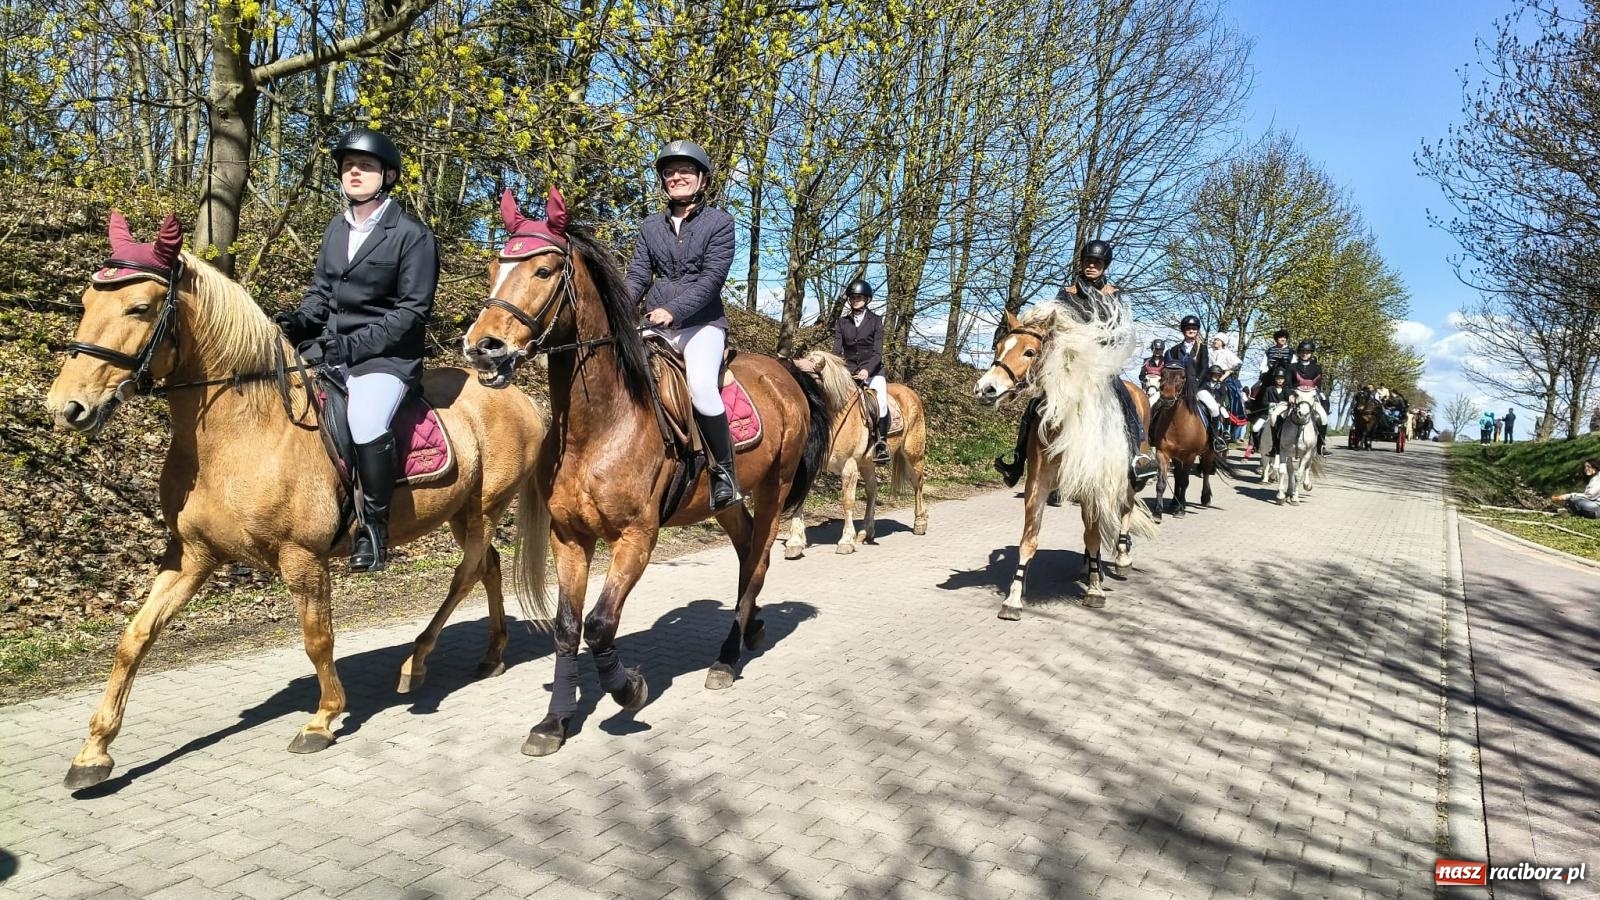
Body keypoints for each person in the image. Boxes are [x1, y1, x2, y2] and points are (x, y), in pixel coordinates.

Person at [274, 127, 439, 573]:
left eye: (364, 166)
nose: (354, 173)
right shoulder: (336, 228)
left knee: (365, 419)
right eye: (348, 167)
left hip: (386, 360)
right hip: (331, 350)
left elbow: (411, 312)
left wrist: (347, 345)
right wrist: (298, 320)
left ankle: (373, 529)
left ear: (387, 175)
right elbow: (321, 293)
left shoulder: (412, 235)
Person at [625, 140, 741, 511]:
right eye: (670, 172)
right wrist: (619, 309)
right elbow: (639, 276)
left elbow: (712, 280)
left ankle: (724, 475)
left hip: (702, 323)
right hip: (656, 321)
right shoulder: (649, 227)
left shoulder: (719, 222)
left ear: (702, 180)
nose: (677, 177)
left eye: (685, 171)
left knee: (701, 388)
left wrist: (673, 310)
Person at [994, 239, 1157, 503]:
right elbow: (1054, 324)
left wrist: (1104, 350)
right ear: (1081, 263)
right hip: (1070, 363)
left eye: (1097, 263)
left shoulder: (1114, 295)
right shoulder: (1067, 293)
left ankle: (1137, 454)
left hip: (1102, 364)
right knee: (1035, 406)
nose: (1092, 266)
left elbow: (1120, 331)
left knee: (1125, 397)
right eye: (1088, 262)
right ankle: (1018, 459)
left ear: (1105, 266)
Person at [834, 278, 890, 465]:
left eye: (859, 297)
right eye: (853, 297)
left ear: (867, 299)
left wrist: (867, 370)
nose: (855, 300)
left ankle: (881, 443)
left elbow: (877, 352)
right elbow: (836, 351)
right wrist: (838, 369)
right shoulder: (842, 322)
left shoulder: (875, 321)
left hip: (873, 371)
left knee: (881, 401)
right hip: (849, 372)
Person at [1285, 339, 1331, 455]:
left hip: (1310, 396)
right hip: (1296, 396)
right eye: (1303, 352)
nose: (1305, 354)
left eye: (1308, 352)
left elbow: (1318, 384)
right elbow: (1287, 384)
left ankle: (1321, 444)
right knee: (1277, 415)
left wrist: (1316, 393)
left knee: (1323, 417)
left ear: (1311, 354)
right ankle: (1276, 444)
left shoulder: (1317, 368)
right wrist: (1290, 394)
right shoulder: (1292, 367)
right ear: (1299, 353)